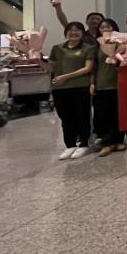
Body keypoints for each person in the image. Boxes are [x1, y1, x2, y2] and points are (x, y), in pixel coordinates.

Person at [49, 22, 96, 160]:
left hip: (80, 86)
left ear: (82, 33)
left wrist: (65, 76)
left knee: (82, 116)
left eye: (77, 30)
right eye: (70, 30)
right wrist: (36, 59)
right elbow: (51, 67)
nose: (74, 33)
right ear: (66, 32)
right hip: (60, 88)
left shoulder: (88, 48)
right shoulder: (57, 48)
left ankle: (84, 144)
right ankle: (70, 145)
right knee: (65, 117)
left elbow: (88, 68)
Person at [93, 18, 126, 157]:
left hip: (120, 83)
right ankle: (107, 143)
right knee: (103, 115)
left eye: (108, 27)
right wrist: (92, 83)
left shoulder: (123, 44)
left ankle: (118, 141)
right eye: (102, 27)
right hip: (102, 84)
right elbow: (94, 66)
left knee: (119, 114)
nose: (105, 29)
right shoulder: (96, 46)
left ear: (115, 29)